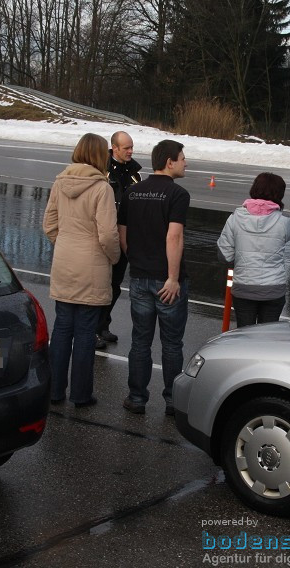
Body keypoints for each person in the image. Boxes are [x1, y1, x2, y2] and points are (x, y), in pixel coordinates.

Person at [43, 133, 120, 408]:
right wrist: (113, 258)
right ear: (101, 155)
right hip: (92, 265)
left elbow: (49, 225)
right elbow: (108, 235)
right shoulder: (102, 188)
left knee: (62, 329)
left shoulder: (59, 181)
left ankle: (54, 391)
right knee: (86, 332)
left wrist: (64, 243)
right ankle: (81, 394)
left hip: (64, 261)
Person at [119, 139, 190, 416]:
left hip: (139, 276)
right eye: (183, 158)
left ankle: (137, 398)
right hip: (167, 280)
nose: (186, 163)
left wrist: (136, 260)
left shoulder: (133, 192)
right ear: (169, 162)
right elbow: (174, 236)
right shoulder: (178, 194)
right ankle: (172, 401)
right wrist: (172, 278)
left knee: (140, 342)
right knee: (172, 344)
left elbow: (122, 232)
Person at [217, 173, 290, 326]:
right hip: (274, 289)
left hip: (244, 287)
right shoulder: (286, 221)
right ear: (280, 194)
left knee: (245, 335)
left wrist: (239, 264)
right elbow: (288, 255)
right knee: (267, 338)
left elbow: (225, 255)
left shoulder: (235, 217)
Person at [96, 131, 143, 349]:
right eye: (126, 148)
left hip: (125, 236)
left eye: (132, 147)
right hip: (104, 236)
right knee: (101, 285)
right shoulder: (101, 170)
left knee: (114, 285)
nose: (131, 151)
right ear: (114, 148)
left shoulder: (135, 173)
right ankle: (94, 329)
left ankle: (103, 325)